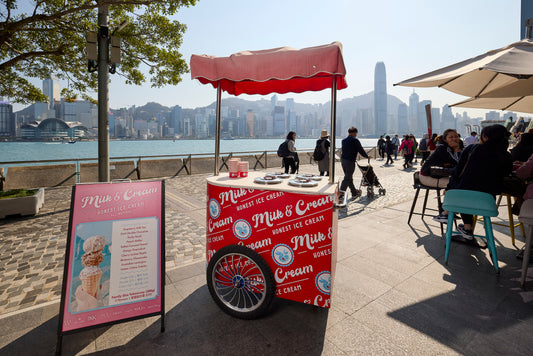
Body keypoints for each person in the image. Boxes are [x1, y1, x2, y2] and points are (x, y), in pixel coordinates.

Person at [446, 124, 513, 245]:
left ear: (486, 137)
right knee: (473, 188)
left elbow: (457, 172)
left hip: (461, 198)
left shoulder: (472, 149)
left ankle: (465, 228)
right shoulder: (507, 156)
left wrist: (448, 188)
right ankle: (467, 230)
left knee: (466, 188)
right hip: (487, 202)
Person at [418, 129, 462, 223]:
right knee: (458, 185)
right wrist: (457, 150)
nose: (454, 138)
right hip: (427, 176)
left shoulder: (455, 148)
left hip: (439, 175)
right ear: (445, 139)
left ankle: (450, 208)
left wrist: (457, 150)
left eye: (456, 136)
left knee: (459, 183)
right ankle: (445, 213)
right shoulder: (442, 148)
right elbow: (457, 164)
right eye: (451, 137)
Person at [340, 127, 369, 199]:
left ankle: (354, 193)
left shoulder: (343, 140)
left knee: (349, 177)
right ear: (353, 133)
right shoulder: (355, 140)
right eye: (356, 133)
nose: (356, 134)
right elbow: (360, 150)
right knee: (347, 178)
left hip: (343, 160)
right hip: (350, 161)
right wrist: (367, 156)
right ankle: (340, 194)